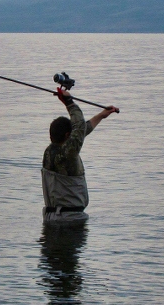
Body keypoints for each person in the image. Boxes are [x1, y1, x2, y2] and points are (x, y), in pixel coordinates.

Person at [41, 88, 118, 223]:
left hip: (51, 218)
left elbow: (80, 132)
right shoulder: (67, 154)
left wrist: (101, 115)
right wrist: (69, 103)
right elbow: (80, 127)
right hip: (69, 221)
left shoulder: (49, 152)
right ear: (67, 136)